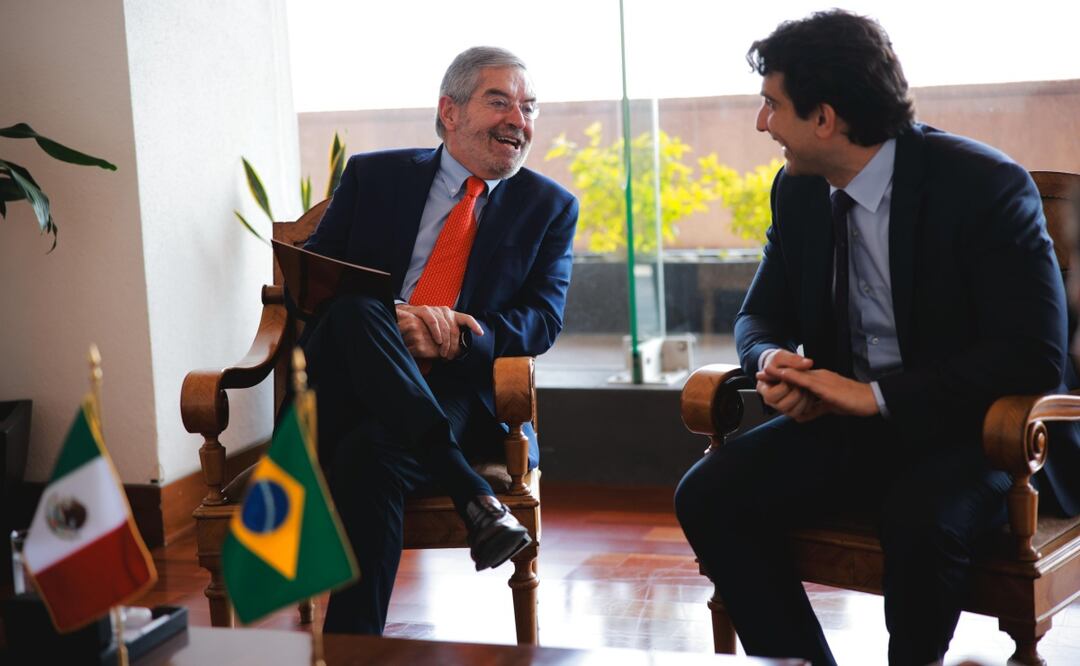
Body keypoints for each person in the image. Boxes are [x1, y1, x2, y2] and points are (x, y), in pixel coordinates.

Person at [674, 10, 1078, 666]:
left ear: (826, 118)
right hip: (847, 426)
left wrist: (876, 397)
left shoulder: (982, 186)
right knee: (708, 493)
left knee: (919, 520)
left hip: (976, 430)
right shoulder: (799, 190)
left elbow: (1034, 354)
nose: (762, 124)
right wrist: (775, 362)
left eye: (771, 105)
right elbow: (758, 316)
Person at [299, 46, 578, 635]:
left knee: (370, 458)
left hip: (452, 390)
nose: (518, 120)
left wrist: (453, 340)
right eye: (499, 101)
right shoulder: (374, 177)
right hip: (344, 379)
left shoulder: (549, 207)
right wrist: (396, 316)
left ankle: (352, 651)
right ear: (449, 112)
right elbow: (313, 282)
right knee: (354, 310)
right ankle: (467, 487)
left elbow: (541, 321)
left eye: (528, 108)